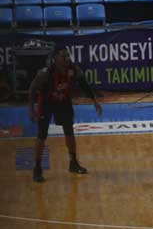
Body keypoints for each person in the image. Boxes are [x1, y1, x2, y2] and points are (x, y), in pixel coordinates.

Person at [28, 47, 102, 182]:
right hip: (46, 103)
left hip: (63, 101)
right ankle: (37, 168)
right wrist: (31, 109)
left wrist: (95, 101)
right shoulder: (46, 73)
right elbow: (32, 89)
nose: (67, 59)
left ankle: (73, 162)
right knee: (42, 135)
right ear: (55, 58)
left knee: (69, 132)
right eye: (63, 56)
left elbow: (84, 84)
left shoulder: (73, 70)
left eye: (68, 56)